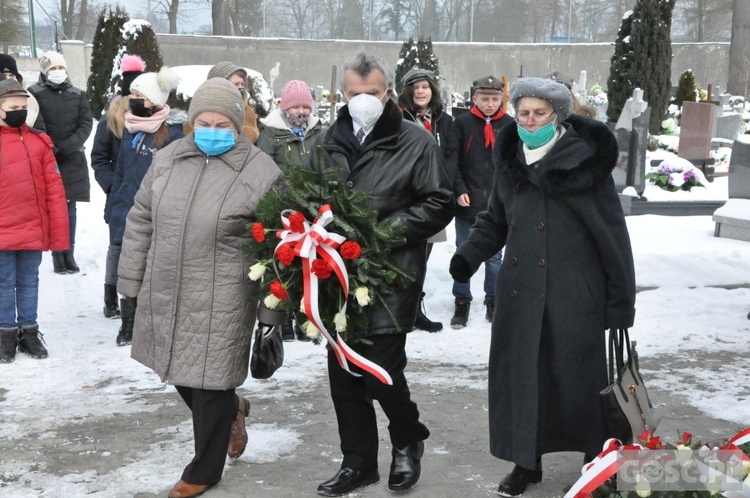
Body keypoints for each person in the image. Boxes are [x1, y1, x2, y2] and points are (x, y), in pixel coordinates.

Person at [449, 77, 636, 497]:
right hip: (520, 293)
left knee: (580, 379)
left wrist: (621, 302)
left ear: (558, 116)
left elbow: (612, 238)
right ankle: (525, 462)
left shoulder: (583, 163)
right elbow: (495, 220)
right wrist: (469, 255)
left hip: (575, 294)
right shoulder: (511, 159)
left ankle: (596, 457)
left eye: (539, 113)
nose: (530, 121)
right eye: (523, 113)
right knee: (522, 378)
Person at [117, 77, 282, 498]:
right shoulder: (169, 158)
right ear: (190, 123)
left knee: (210, 382)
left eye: (222, 123)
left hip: (225, 292)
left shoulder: (261, 170)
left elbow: (278, 245)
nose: (212, 130)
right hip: (168, 285)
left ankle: (204, 469)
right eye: (203, 122)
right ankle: (234, 412)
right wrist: (131, 279)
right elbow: (140, 219)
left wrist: (272, 312)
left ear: (237, 124)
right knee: (180, 373)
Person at [309, 52, 453, 497]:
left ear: (388, 93)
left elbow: (439, 201)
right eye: (354, 95)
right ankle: (358, 462)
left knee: (381, 370)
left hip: (390, 272)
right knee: (343, 375)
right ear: (342, 95)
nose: (362, 102)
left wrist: (382, 233)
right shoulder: (326, 140)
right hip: (335, 274)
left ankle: (407, 438)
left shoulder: (415, 141)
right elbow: (304, 193)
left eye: (371, 94)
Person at [109, 67, 183, 347]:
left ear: (155, 100)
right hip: (126, 210)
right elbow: (121, 173)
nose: (134, 100)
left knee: (151, 269)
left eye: (140, 96)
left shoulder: (172, 135)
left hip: (155, 214)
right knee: (128, 267)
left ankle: (149, 320)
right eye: (133, 95)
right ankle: (127, 322)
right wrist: (113, 208)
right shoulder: (130, 130)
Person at [0, 78, 69, 363]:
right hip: (3, 230)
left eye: (23, 108)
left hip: (32, 228)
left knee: (29, 282)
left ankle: (29, 331)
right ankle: (5, 334)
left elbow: (54, 189)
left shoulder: (38, 142)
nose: (19, 112)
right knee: (3, 283)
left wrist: (58, 232)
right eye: (13, 107)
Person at [256, 79, 325, 342]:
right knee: (279, 265)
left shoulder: (318, 132)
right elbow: (263, 171)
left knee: (305, 267)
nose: (302, 112)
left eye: (305, 107)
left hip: (311, 210)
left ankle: (303, 318)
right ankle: (278, 318)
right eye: (296, 106)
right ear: (284, 108)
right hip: (281, 210)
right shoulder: (271, 135)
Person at [447, 76, 514, 329]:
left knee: (495, 257)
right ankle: (462, 300)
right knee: (464, 250)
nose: (489, 104)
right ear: (474, 98)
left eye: (495, 99)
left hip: (496, 203)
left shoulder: (509, 125)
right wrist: (459, 189)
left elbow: (511, 163)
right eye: (484, 99)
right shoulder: (462, 123)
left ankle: (493, 300)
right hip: (468, 199)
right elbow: (454, 161)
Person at [399, 67, 457, 333]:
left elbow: (452, 157)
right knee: (402, 257)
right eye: (415, 87)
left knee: (423, 257)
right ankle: (398, 310)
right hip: (403, 197)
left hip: (432, 198)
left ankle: (415, 310)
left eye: (425, 86)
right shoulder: (398, 118)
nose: (421, 92)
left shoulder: (444, 121)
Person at [90, 54, 147, 319]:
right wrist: (114, 185)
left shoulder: (151, 118)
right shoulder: (110, 120)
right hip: (120, 194)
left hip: (146, 193)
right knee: (117, 245)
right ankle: (110, 293)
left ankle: (137, 295)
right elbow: (99, 158)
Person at [28, 51, 92, 275]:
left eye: (60, 68)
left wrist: (66, 146)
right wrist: (50, 148)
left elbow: (85, 124)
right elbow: (35, 122)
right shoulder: (33, 93)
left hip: (72, 159)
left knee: (70, 208)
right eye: (52, 69)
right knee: (53, 209)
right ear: (45, 71)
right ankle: (57, 253)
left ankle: (69, 252)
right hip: (47, 159)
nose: (57, 72)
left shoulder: (78, 94)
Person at [183, 61, 259, 142]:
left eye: (242, 84)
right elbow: (190, 132)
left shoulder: (247, 111)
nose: (240, 88)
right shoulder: (200, 106)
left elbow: (252, 137)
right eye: (236, 84)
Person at [0, 54, 45, 130]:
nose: (7, 79)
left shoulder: (29, 99)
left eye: (11, 75)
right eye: (3, 75)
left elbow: (39, 129)